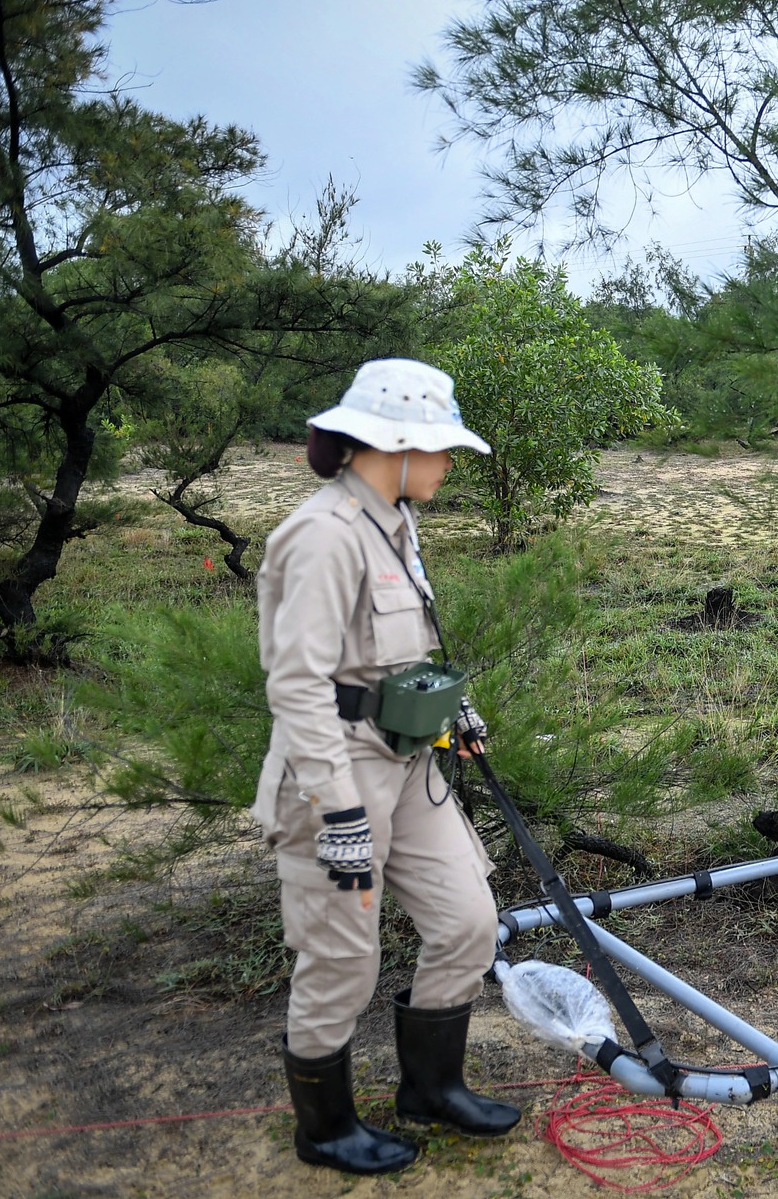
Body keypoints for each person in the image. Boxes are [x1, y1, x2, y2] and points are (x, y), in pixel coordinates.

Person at [251, 358, 520, 1175]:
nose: (447, 464)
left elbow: (408, 646)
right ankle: (325, 1127)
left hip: (410, 765)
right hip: (336, 775)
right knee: (342, 955)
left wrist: (455, 714)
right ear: (395, 444)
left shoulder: (396, 521)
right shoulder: (323, 535)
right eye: (439, 449)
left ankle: (430, 1087)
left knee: (469, 919)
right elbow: (298, 683)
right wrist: (336, 813)